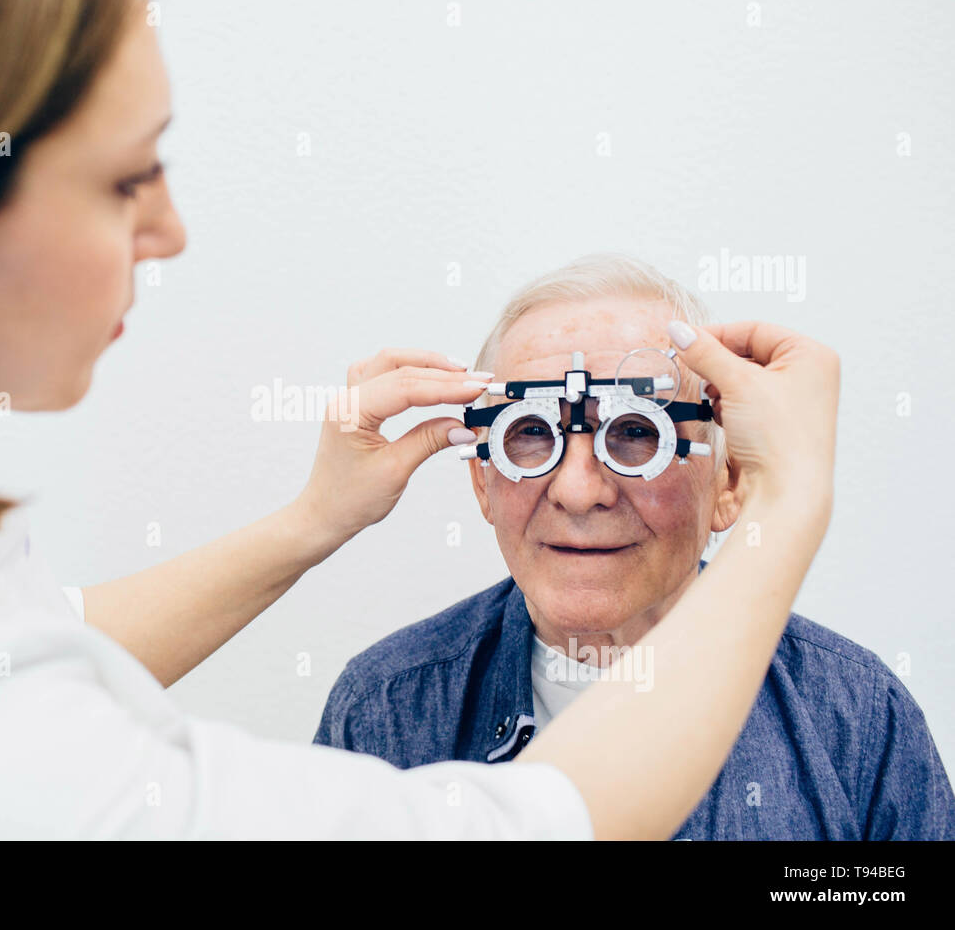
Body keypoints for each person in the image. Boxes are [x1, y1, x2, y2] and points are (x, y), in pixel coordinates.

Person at [0, 0, 839, 839]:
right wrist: (789, 513)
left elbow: (26, 646)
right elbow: (533, 827)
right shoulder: (371, 702)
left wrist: (307, 521)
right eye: (128, 178)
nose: (172, 230)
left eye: (631, 432)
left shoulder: (851, 720)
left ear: (715, 466)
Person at [315, 255, 955, 839]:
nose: (575, 490)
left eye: (636, 433)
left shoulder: (855, 719)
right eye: (530, 433)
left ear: (728, 483)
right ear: (483, 483)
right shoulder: (385, 710)